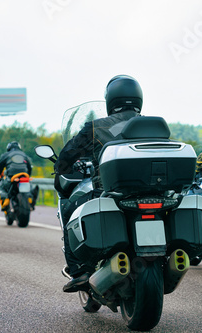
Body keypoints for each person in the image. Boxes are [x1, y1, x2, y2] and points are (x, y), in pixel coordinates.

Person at [54, 74, 143, 292]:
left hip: (110, 193)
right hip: (154, 193)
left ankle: (80, 270)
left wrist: (62, 168)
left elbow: (66, 158)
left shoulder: (96, 127)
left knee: (68, 208)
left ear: (111, 100)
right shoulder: (155, 124)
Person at [0, 141, 34, 211]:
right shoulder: (24, 155)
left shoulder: (6, 155)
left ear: (8, 148)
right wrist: (27, 177)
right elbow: (29, 167)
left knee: (0, 186)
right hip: (24, 175)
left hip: (12, 177)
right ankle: (29, 198)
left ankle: (5, 199)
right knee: (30, 185)